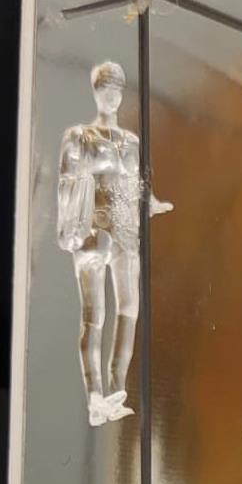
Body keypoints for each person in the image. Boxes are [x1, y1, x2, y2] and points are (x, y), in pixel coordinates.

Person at [57, 61, 173, 426]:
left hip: (124, 230)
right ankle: (95, 396)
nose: (111, 96)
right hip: (93, 227)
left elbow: (139, 184)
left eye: (116, 90)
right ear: (96, 92)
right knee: (94, 315)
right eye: (105, 89)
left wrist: (151, 203)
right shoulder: (80, 136)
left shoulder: (131, 142)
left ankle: (116, 387)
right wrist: (72, 228)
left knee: (129, 308)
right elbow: (66, 181)